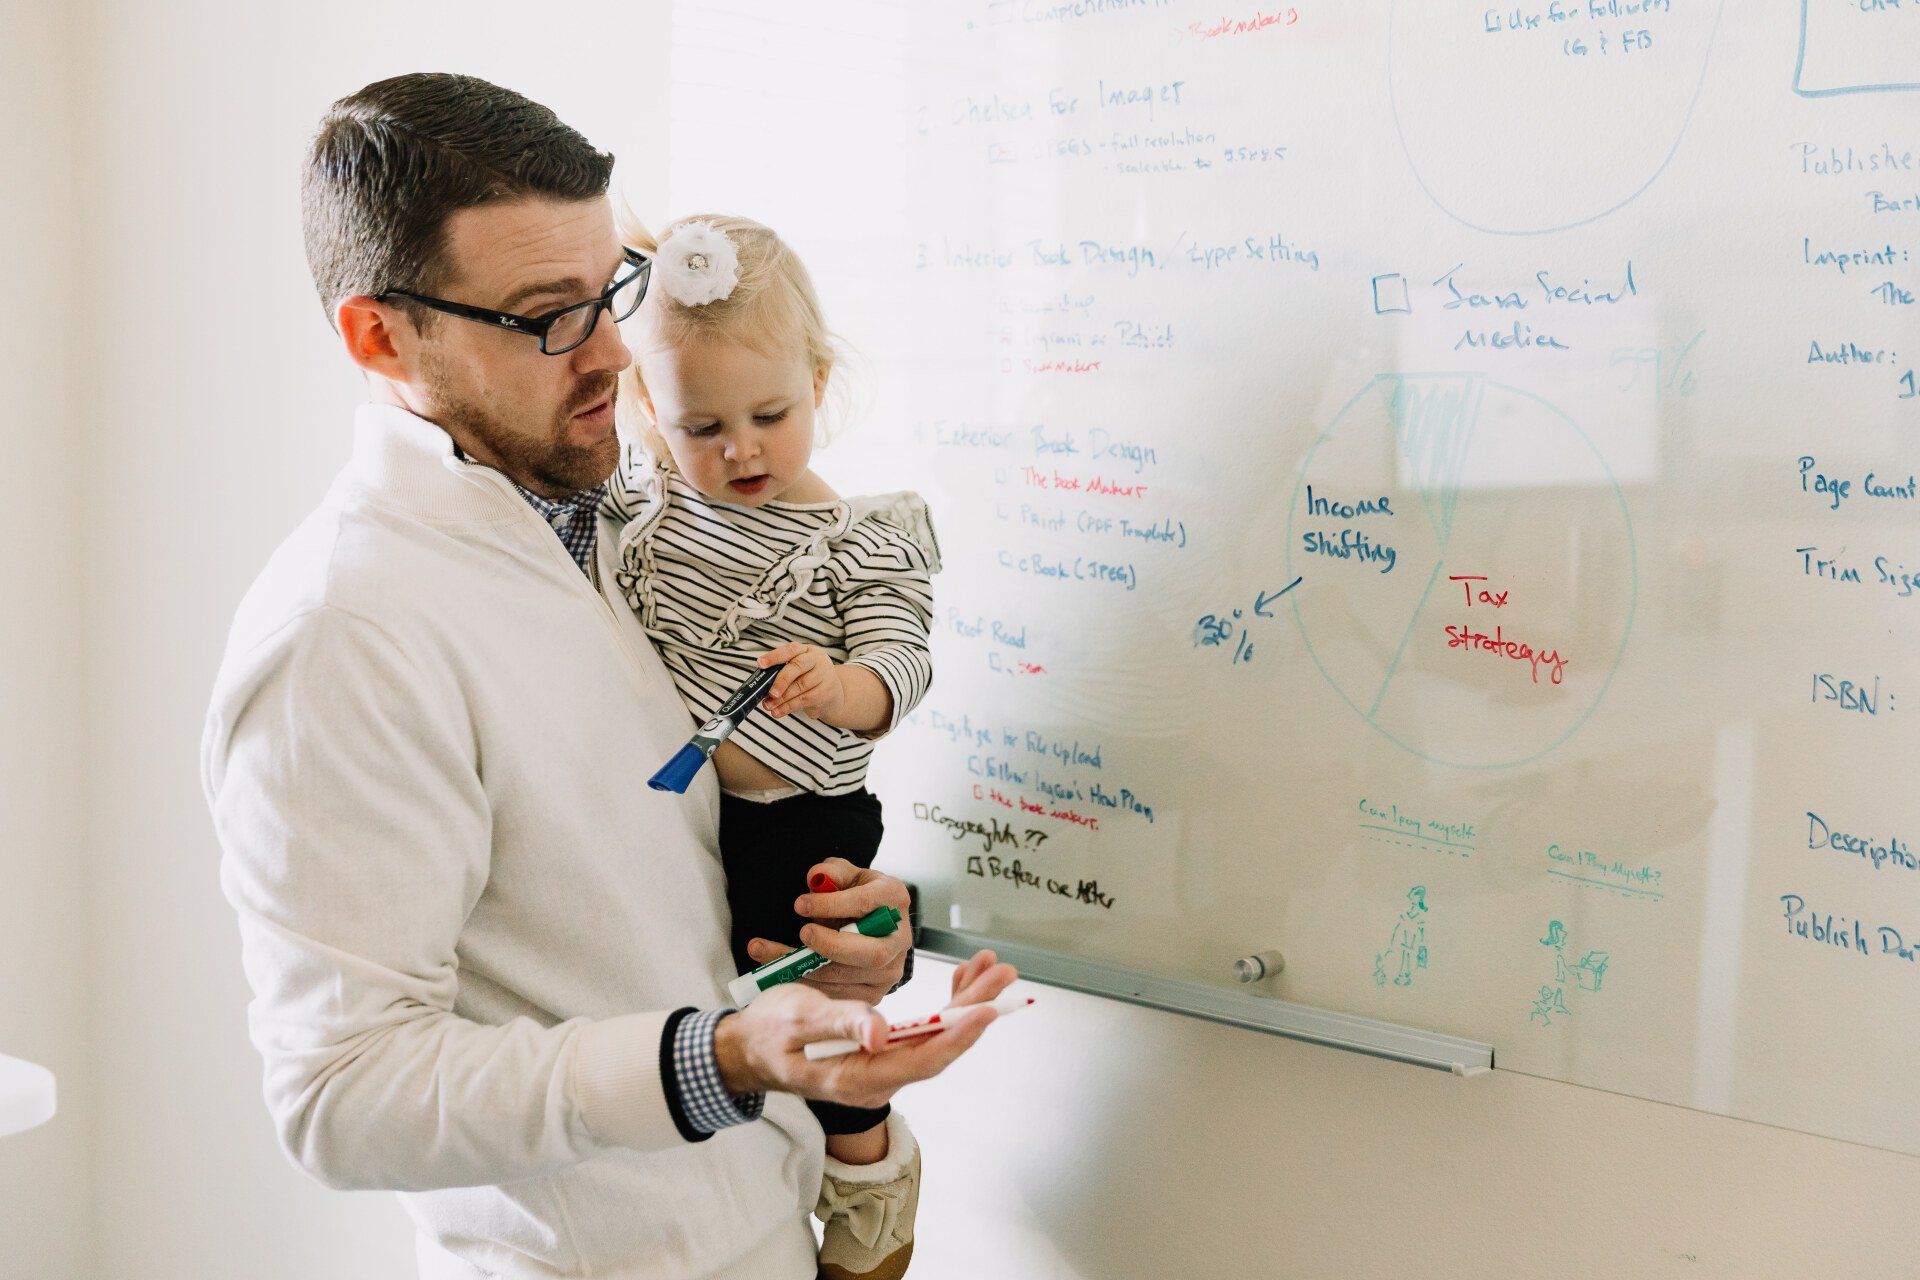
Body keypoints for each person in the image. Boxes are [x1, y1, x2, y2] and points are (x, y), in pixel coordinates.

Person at [200, 72, 1015, 1280]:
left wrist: (820, 956)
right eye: (546, 316)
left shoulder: (630, 528)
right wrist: (724, 1054)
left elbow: (636, 908)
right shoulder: (346, 629)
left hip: (767, 1229)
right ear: (382, 335)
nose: (614, 354)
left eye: (610, 293)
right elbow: (340, 1091)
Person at [604, 211, 941, 1280]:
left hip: (805, 809)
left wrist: (841, 686)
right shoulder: (646, 507)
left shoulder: (861, 535)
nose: (740, 448)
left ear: (821, 383)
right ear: (650, 410)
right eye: (702, 426)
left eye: (770, 413)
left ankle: (865, 1168)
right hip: (689, 811)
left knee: (814, 991)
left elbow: (902, 666)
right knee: (737, 999)